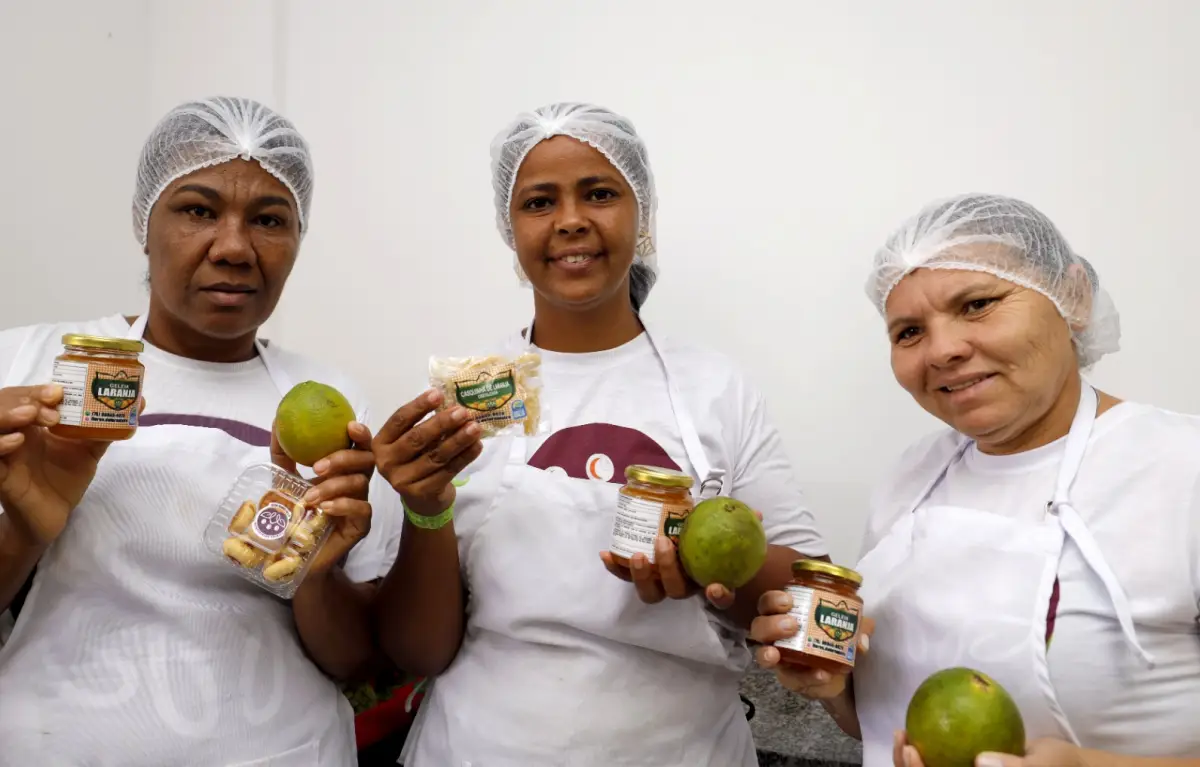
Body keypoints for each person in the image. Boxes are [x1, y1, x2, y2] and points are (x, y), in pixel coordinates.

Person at [367, 102, 828, 766]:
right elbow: (418, 651)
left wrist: (711, 566)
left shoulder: (715, 387)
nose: (571, 219)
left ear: (641, 216)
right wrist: (425, 506)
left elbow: (809, 594)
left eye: (600, 193)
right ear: (510, 225)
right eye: (539, 201)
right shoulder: (473, 394)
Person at [0, 97, 402, 766]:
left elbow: (355, 659)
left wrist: (311, 573)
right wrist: (26, 528)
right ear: (143, 222)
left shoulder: (339, 407)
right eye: (198, 209)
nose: (236, 247)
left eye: (270, 220)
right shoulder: (32, 368)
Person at [751, 194, 1200, 766]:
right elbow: (880, 717)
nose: (943, 350)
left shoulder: (1183, 469)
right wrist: (830, 684)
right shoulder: (910, 481)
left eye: (978, 303)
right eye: (909, 332)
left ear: (1074, 299)